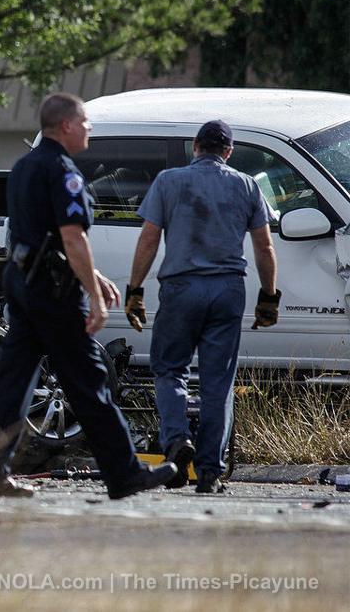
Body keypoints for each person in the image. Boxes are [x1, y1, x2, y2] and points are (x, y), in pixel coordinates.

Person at [0, 92, 176, 500]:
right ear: (65, 125)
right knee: (88, 381)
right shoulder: (63, 171)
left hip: (24, 283)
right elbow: (71, 235)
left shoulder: (25, 166)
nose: (89, 129)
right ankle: (124, 473)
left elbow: (44, 235)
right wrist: (95, 297)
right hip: (54, 293)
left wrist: (93, 275)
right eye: (84, 122)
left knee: (13, 384)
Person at [125, 119, 278, 494]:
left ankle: (177, 443)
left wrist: (134, 291)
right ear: (228, 152)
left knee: (169, 369)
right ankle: (209, 473)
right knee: (217, 384)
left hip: (180, 289)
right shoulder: (247, 185)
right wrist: (268, 299)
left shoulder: (168, 181)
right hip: (228, 291)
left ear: (195, 146)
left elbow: (148, 240)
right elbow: (264, 246)